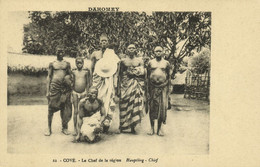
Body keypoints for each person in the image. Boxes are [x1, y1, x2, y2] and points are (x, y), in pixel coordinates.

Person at [91, 34, 120, 133]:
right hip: (98, 80)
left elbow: (117, 67)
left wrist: (115, 82)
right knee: (98, 99)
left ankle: (106, 123)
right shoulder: (95, 54)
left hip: (109, 80)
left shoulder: (112, 53)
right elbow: (92, 68)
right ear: (99, 42)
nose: (103, 42)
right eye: (102, 41)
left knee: (108, 100)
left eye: (105, 41)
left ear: (108, 43)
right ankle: (96, 123)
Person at [45, 47, 73, 136]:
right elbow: (49, 77)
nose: (60, 52)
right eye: (58, 51)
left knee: (64, 108)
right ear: (56, 52)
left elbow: (70, 76)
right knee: (50, 108)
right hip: (54, 88)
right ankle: (49, 128)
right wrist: (47, 91)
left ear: (64, 52)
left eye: (62, 51)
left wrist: (68, 86)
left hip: (64, 89)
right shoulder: (52, 64)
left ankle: (64, 128)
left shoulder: (67, 64)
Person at [117, 43, 145, 134]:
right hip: (125, 85)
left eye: (133, 48)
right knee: (123, 104)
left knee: (134, 105)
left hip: (135, 84)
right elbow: (119, 75)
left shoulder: (139, 60)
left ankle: (133, 127)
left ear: (136, 50)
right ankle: (122, 126)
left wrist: (135, 74)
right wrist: (118, 88)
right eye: (130, 48)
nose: (132, 49)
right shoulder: (123, 61)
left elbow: (143, 74)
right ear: (127, 50)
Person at [147, 46, 171, 136]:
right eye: (156, 51)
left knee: (162, 108)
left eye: (160, 51)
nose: (158, 53)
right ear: (154, 52)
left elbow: (169, 76)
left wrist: (168, 90)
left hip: (163, 88)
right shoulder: (150, 62)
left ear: (163, 52)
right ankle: (152, 128)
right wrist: (148, 90)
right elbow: (147, 76)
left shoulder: (166, 63)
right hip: (152, 87)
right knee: (152, 108)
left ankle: (159, 129)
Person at [71, 57, 91, 136]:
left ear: (83, 63)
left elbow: (88, 83)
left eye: (81, 63)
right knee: (75, 111)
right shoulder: (74, 71)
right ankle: (75, 129)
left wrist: (87, 92)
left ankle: (82, 128)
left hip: (83, 93)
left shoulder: (86, 71)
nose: (79, 64)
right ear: (75, 63)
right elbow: (72, 82)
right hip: (75, 92)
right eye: (77, 63)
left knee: (82, 111)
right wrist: (72, 94)